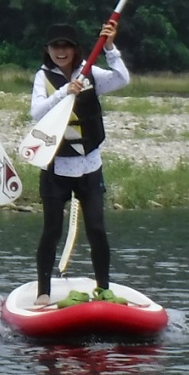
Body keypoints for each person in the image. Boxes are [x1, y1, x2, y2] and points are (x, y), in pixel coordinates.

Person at [30, 20, 129, 307]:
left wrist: (110, 48)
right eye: (55, 46)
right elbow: (36, 112)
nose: (60, 51)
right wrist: (65, 92)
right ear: (47, 50)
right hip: (56, 166)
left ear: (75, 50)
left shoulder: (90, 72)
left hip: (89, 165)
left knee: (96, 228)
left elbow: (122, 79)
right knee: (52, 230)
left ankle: (104, 288)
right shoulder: (43, 77)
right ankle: (43, 292)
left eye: (66, 46)